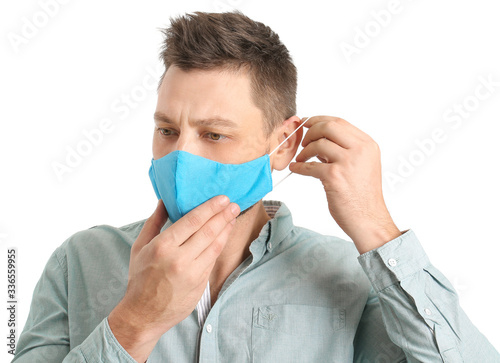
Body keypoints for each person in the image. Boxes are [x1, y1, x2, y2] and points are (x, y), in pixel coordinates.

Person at [13, 11, 500, 363]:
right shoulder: (79, 261)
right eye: (167, 130)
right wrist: (136, 320)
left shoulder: (345, 277)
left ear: (284, 146)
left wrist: (376, 228)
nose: (181, 157)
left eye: (214, 134)